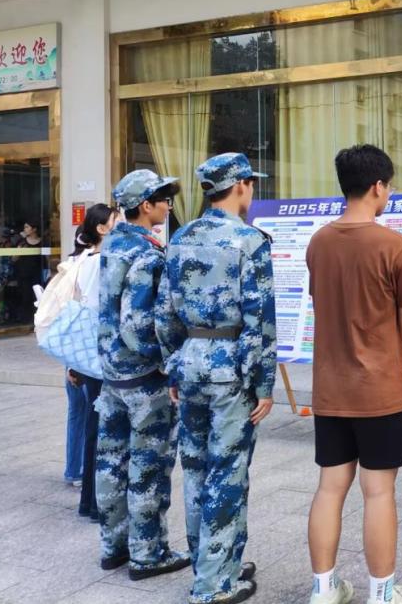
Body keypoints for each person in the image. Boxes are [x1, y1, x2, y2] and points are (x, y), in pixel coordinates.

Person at [305, 144, 402, 604]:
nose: (389, 195)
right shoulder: (393, 245)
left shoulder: (319, 242)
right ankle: (383, 594)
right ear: (377, 187)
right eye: (389, 187)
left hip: (330, 388)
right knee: (378, 492)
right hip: (379, 389)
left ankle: (323, 589)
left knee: (329, 487)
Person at [156, 153, 276, 604]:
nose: (252, 190)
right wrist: (263, 384)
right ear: (240, 184)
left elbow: (164, 311)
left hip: (190, 363)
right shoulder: (250, 241)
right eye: (251, 183)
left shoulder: (180, 237)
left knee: (196, 470)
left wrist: (173, 364)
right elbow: (260, 320)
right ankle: (213, 584)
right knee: (228, 473)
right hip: (230, 371)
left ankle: (215, 562)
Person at [97, 170, 190, 580]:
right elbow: (137, 326)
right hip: (143, 379)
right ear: (145, 205)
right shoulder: (147, 253)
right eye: (163, 198)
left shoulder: (112, 245)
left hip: (112, 375)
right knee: (148, 467)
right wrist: (167, 360)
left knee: (111, 463)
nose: (169, 204)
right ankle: (148, 553)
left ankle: (113, 546)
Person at [70, 203, 121, 521]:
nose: (122, 225)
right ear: (102, 229)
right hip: (103, 355)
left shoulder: (82, 260)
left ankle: (89, 501)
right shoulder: (105, 262)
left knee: (94, 425)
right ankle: (98, 504)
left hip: (87, 355)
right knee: (104, 429)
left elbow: (77, 311)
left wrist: (73, 362)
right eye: (117, 221)